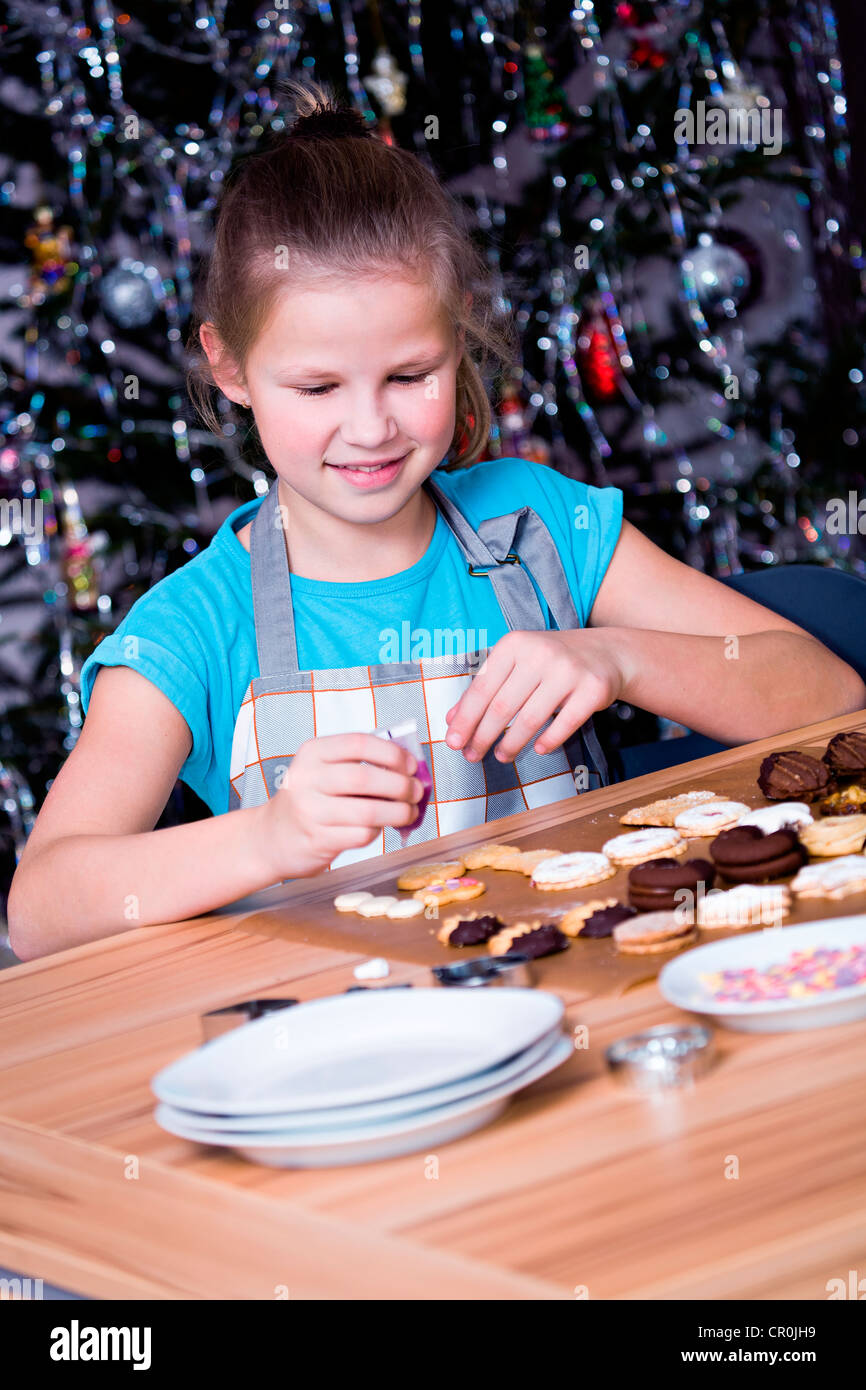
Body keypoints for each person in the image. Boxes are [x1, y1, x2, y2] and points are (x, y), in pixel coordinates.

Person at [8, 80, 865, 961]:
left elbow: (830, 695)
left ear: (458, 345)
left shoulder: (541, 527)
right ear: (228, 367)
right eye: (317, 388)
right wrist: (265, 839)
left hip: (585, 988)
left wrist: (617, 658)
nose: (371, 426)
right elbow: (39, 908)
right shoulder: (194, 628)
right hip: (350, 1050)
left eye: (410, 375)